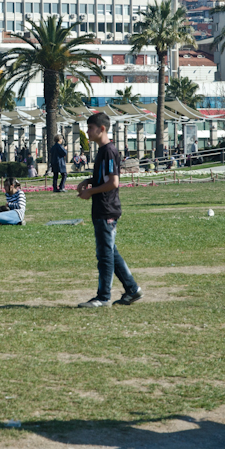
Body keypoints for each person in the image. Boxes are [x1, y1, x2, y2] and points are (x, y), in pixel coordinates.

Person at [76, 112, 142, 308]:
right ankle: (132, 289)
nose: (87, 131)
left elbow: (113, 182)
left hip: (106, 210)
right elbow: (104, 178)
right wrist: (88, 181)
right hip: (102, 208)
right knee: (110, 252)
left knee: (105, 256)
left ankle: (103, 297)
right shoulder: (102, 151)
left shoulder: (108, 151)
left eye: (90, 128)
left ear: (101, 128)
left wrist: (91, 192)